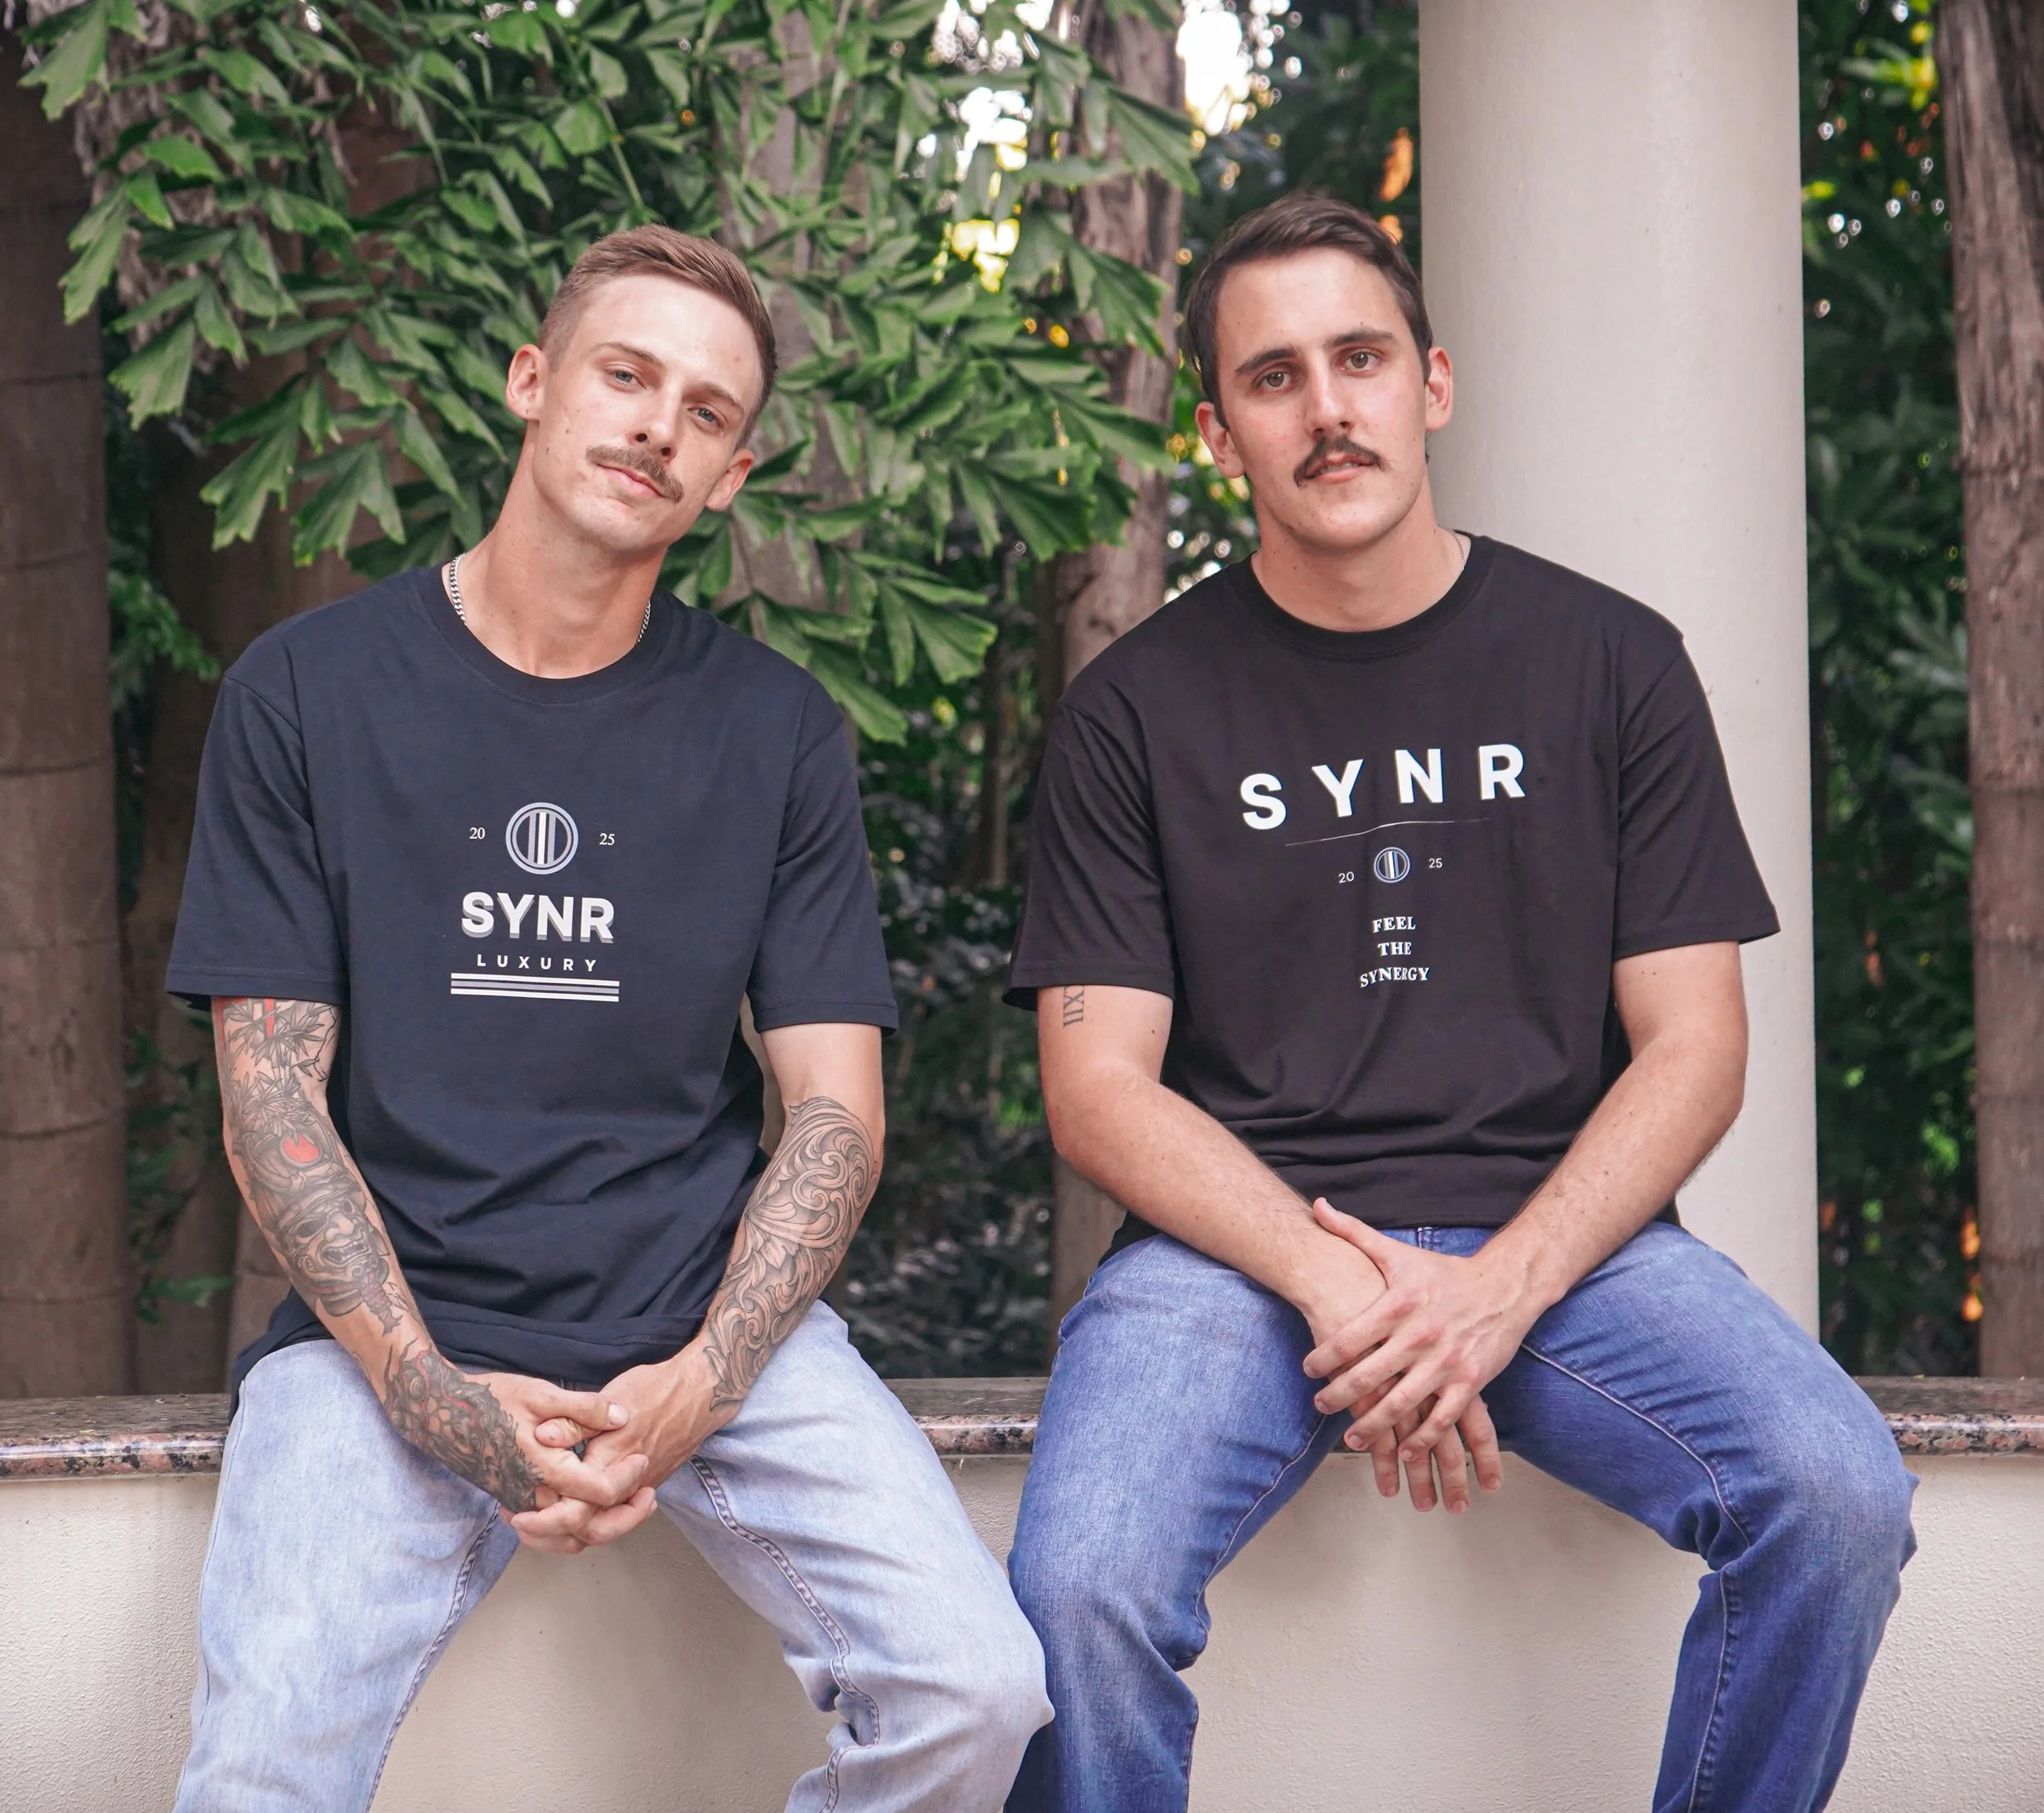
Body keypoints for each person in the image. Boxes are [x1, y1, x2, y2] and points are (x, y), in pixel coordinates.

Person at [1002, 192, 1916, 1813]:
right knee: (1080, 1580)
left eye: (1358, 358)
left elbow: (1695, 1046)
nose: (1327, 407)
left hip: (1559, 1246)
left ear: (1432, 379)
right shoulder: (1133, 710)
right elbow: (1098, 1089)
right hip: (1240, 1249)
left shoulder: (1607, 661)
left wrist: (1495, 1290)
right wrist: (1333, 1282)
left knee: (1831, 1490)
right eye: (1272, 377)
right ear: (1219, 433)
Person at [166, 225, 1048, 1811]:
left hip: (696, 1320)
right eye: (625, 374)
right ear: (532, 380)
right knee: (258, 1770)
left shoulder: (772, 730)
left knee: (976, 1690)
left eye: (705, 412)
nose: (657, 423)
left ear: (730, 474)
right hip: (389, 1338)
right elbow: (270, 1101)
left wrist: (704, 1376)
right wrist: (430, 1389)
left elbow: (835, 1110)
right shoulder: (309, 691)